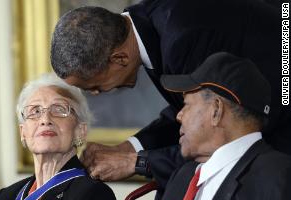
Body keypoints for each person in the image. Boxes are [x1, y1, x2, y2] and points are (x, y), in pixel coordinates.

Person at [50, 0, 287, 188]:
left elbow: (220, 135)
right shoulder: (155, 19)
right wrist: (131, 147)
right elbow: (190, 113)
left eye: (92, 84)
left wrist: (137, 162)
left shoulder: (182, 41)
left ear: (119, 58)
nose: (95, 93)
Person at [126, 52, 291, 200]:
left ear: (216, 110)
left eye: (186, 104)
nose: (178, 115)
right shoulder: (184, 176)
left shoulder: (278, 178)